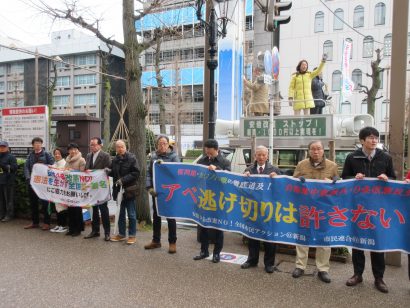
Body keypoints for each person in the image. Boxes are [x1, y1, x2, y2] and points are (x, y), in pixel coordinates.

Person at [342, 127, 395, 293]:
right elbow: (345, 177)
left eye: (376, 138)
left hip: (378, 208)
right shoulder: (352, 157)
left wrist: (387, 178)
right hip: (358, 206)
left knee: (377, 242)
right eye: (370, 138)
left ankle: (379, 278)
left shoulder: (385, 157)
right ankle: (357, 274)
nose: (374, 140)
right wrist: (354, 178)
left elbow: (393, 177)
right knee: (358, 242)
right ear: (362, 140)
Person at [292, 140, 338, 283]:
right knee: (302, 236)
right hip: (305, 206)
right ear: (309, 151)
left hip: (324, 208)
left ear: (323, 150)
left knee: (324, 238)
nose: (316, 151)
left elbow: (337, 185)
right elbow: (292, 183)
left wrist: (334, 181)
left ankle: (323, 269)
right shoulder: (301, 164)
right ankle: (300, 266)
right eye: (313, 149)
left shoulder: (332, 166)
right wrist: (297, 180)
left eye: (318, 149)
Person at [241, 145, 281, 273]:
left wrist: (277, 179)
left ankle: (269, 264)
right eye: (259, 155)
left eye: (264, 155)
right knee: (252, 235)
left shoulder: (274, 170)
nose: (261, 157)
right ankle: (252, 260)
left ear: (267, 156)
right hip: (253, 209)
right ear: (255, 156)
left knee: (269, 237)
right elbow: (241, 188)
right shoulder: (249, 170)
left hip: (269, 210)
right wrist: (244, 177)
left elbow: (281, 189)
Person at [194, 139, 231, 263]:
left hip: (219, 199)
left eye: (210, 153)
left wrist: (217, 169)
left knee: (218, 226)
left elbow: (229, 178)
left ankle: (216, 253)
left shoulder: (225, 162)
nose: (208, 155)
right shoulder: (202, 161)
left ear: (217, 150)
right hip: (204, 197)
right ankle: (204, 251)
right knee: (203, 225)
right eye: (207, 152)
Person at [145, 135, 180, 253]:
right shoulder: (153, 156)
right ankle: (156, 241)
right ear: (157, 145)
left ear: (168, 144)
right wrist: (149, 187)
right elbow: (149, 173)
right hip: (157, 192)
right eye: (160, 143)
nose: (162, 145)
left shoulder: (174, 157)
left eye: (164, 143)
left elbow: (177, 173)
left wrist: (164, 165)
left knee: (170, 217)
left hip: (170, 192)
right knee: (156, 216)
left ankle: (172, 242)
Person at [109, 140, 140, 245]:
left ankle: (132, 235)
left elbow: (136, 173)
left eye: (121, 146)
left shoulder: (132, 158)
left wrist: (123, 180)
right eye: (118, 147)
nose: (120, 149)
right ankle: (121, 234)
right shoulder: (115, 160)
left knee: (131, 214)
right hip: (118, 192)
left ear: (125, 147)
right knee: (120, 213)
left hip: (129, 190)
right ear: (115, 149)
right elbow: (114, 173)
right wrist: (108, 171)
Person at [84, 137, 112, 241]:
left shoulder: (105, 155)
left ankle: (107, 233)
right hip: (92, 187)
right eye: (91, 145)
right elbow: (86, 168)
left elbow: (110, 168)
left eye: (95, 144)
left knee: (104, 210)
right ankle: (95, 231)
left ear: (100, 145)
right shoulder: (88, 155)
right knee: (93, 210)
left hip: (102, 188)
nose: (93, 146)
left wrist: (106, 170)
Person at [24, 137, 55, 230]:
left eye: (39, 143)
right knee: (33, 203)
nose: (37, 145)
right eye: (35, 143)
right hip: (32, 184)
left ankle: (47, 223)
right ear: (33, 145)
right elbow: (26, 167)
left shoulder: (47, 154)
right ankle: (35, 222)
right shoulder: (30, 155)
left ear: (41, 144)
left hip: (44, 184)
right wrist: (28, 178)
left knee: (45, 203)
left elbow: (52, 166)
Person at [65, 143, 86, 237]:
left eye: (74, 149)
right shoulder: (67, 160)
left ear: (77, 150)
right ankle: (71, 228)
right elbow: (63, 172)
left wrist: (71, 172)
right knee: (70, 209)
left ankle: (78, 229)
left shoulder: (81, 160)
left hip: (77, 188)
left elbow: (82, 175)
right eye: (70, 149)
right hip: (68, 188)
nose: (72, 151)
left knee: (77, 209)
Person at [49, 148, 68, 233]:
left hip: (63, 189)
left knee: (62, 207)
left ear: (62, 154)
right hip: (56, 189)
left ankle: (63, 225)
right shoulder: (55, 163)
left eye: (58, 154)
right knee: (57, 207)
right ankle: (59, 224)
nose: (56, 155)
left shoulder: (64, 163)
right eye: (55, 154)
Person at [0, 141, 18, 222]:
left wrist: (4, 165)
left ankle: (9, 215)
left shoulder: (11, 157)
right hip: (0, 181)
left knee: (8, 200)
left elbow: (14, 168)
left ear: (7, 147)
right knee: (1, 200)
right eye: (0, 146)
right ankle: (1, 214)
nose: (2, 148)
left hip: (8, 182)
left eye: (3, 146)